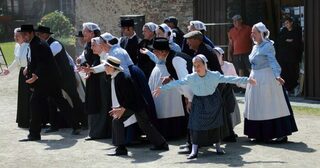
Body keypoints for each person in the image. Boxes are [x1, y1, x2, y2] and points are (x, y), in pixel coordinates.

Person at [153, 54, 256, 159]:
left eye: (199, 65)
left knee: (215, 125)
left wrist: (247, 80)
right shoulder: (191, 77)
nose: (197, 68)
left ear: (204, 65)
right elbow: (178, 82)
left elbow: (230, 79)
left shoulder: (214, 75)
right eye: (195, 66)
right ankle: (194, 150)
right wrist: (162, 88)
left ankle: (218, 147)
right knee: (195, 125)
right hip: (198, 102)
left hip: (213, 101)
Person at [244, 22, 298, 143]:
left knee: (270, 106)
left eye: (254, 32)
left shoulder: (268, 46)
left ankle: (280, 133)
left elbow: (273, 61)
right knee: (257, 106)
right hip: (255, 78)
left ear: (261, 33)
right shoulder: (255, 47)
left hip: (267, 79)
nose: (252, 34)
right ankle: (259, 134)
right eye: (252, 32)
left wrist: (277, 75)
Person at [19, 24, 74, 141]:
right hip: (50, 79)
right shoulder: (35, 43)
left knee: (35, 103)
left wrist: (35, 76)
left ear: (31, 33)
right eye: (22, 35)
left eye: (25, 34)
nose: (23, 37)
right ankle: (76, 124)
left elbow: (43, 64)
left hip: (46, 80)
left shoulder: (38, 44)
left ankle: (34, 134)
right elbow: (36, 61)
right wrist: (28, 69)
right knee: (60, 101)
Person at [104, 56, 168, 156]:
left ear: (112, 67)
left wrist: (122, 109)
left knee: (117, 120)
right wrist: (120, 108)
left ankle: (121, 149)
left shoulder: (122, 78)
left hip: (134, 105)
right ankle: (161, 143)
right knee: (144, 124)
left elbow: (130, 97)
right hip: (134, 105)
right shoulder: (117, 77)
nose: (104, 67)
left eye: (106, 65)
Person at [140, 37, 193, 139]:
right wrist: (170, 77)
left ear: (163, 52)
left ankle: (191, 144)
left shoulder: (175, 59)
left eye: (155, 51)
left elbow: (185, 80)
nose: (154, 53)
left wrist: (189, 99)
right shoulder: (170, 58)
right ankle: (190, 143)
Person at [35, 25, 83, 134]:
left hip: (66, 76)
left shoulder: (55, 44)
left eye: (39, 34)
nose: (38, 36)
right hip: (55, 78)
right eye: (37, 34)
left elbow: (46, 57)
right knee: (52, 101)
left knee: (74, 97)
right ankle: (54, 125)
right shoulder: (43, 44)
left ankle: (83, 122)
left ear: (46, 34)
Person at [77, 22, 111, 140]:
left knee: (99, 103)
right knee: (92, 102)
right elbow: (85, 56)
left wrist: (90, 69)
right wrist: (81, 60)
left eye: (85, 31)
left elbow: (101, 61)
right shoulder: (89, 44)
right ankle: (94, 131)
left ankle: (99, 132)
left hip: (99, 78)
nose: (83, 33)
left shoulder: (97, 43)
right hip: (92, 76)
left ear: (92, 33)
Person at [2, 28, 31, 128]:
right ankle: (23, 120)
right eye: (15, 36)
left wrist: (28, 67)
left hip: (30, 73)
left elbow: (32, 60)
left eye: (18, 36)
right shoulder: (16, 46)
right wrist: (8, 70)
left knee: (29, 97)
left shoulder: (29, 46)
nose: (16, 38)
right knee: (22, 97)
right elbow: (16, 60)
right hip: (21, 74)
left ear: (24, 36)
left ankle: (31, 120)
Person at [214, 46, 243, 142]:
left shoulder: (229, 65)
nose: (215, 56)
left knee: (230, 112)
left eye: (217, 54)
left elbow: (235, 78)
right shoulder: (211, 66)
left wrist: (246, 85)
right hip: (216, 94)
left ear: (221, 55)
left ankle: (229, 132)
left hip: (228, 92)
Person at [275, 17, 303, 94]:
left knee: (292, 72)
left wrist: (286, 41)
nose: (286, 24)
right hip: (283, 57)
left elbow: (296, 43)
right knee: (284, 72)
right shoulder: (283, 31)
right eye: (285, 23)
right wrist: (287, 40)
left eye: (287, 23)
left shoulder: (296, 31)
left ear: (291, 23)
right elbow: (279, 41)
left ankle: (293, 88)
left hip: (293, 57)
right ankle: (286, 88)